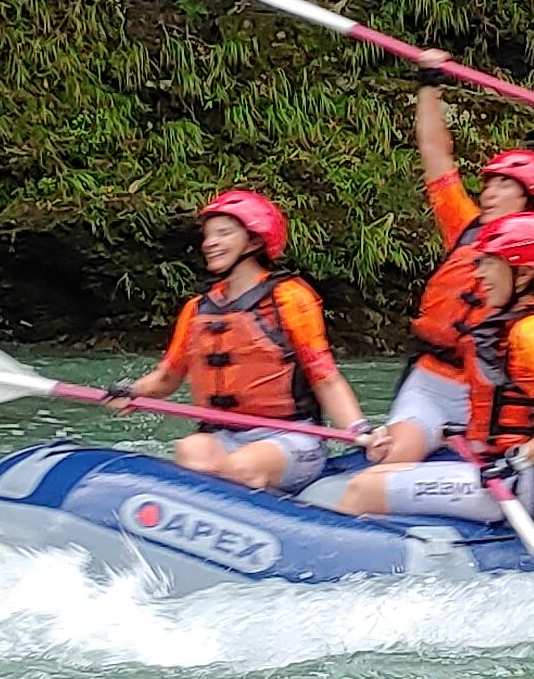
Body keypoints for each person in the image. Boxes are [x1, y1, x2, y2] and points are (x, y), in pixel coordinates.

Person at [314, 212, 534, 526]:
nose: (479, 275)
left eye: (489, 263)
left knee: (362, 488)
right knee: (384, 473)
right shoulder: (529, 323)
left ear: (523, 274)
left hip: (533, 485)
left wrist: (519, 459)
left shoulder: (531, 333)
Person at [377, 78, 534, 465]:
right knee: (394, 458)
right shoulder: (465, 226)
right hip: (433, 381)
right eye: (490, 184)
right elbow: (435, 154)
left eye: (505, 186)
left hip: (488, 391)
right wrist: (429, 87)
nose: (489, 193)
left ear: (531, 201)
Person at [119, 189, 367, 491]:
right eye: (208, 236)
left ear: (254, 241)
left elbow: (325, 378)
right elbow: (167, 377)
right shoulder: (197, 309)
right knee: (190, 450)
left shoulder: (288, 299)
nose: (210, 243)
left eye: (223, 233)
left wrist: (359, 430)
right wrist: (131, 391)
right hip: (224, 435)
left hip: (291, 438)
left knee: (240, 467)